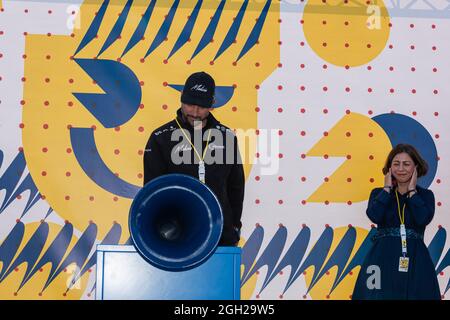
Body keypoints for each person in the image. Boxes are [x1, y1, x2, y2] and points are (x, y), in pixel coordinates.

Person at [143, 71, 245, 246]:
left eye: (202, 106)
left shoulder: (227, 137)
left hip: (221, 235)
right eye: (190, 104)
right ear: (181, 98)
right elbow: (152, 190)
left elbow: (236, 187)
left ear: (212, 104)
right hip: (175, 236)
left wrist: (234, 226)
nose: (195, 112)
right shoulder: (160, 137)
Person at [352, 143, 441, 300]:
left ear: (416, 167)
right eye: (396, 164)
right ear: (389, 168)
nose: (401, 169)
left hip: (415, 257)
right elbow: (374, 216)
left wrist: (412, 192)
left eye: (406, 164)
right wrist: (387, 190)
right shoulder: (379, 193)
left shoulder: (425, 195)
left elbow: (423, 219)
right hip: (380, 257)